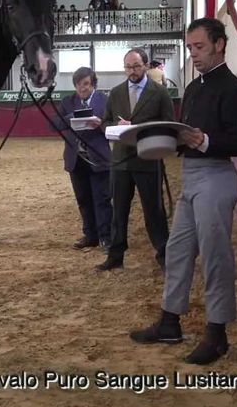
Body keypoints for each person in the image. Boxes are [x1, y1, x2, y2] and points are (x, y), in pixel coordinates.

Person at [130, 18, 237, 365]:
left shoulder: (235, 91)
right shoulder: (195, 88)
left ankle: (217, 334)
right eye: (189, 48)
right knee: (178, 249)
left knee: (216, 257)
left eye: (199, 47)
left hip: (216, 178)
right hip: (192, 175)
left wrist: (203, 140)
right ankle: (170, 321)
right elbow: (184, 134)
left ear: (219, 44)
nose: (193, 54)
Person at [97, 49, 175, 272]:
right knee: (118, 211)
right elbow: (105, 123)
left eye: (136, 66)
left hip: (148, 160)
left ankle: (164, 255)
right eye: (128, 67)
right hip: (121, 160)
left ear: (146, 65)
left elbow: (169, 124)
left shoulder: (159, 93)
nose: (131, 71)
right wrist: (115, 128)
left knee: (154, 211)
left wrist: (147, 131)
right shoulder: (116, 93)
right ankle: (115, 255)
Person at [54, 67, 112, 250]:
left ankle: (105, 236)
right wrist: (73, 117)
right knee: (83, 199)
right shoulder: (68, 102)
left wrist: (101, 124)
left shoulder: (105, 101)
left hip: (99, 157)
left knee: (101, 199)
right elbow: (55, 123)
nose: (82, 88)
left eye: (86, 84)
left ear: (93, 83)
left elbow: (114, 124)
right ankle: (90, 235)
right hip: (76, 159)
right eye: (78, 85)